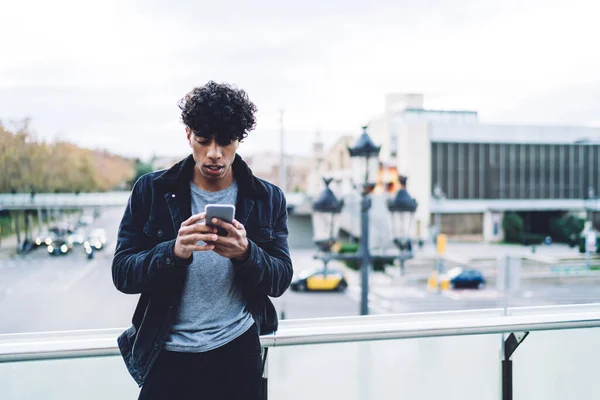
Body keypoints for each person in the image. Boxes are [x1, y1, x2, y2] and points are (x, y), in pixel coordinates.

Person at [112, 81, 293, 400]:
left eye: (225, 142)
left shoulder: (266, 198)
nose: (214, 153)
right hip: (166, 357)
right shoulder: (150, 191)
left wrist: (246, 253)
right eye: (203, 140)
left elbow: (280, 279)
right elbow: (123, 273)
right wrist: (173, 251)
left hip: (237, 356)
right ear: (187, 135)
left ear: (239, 140)